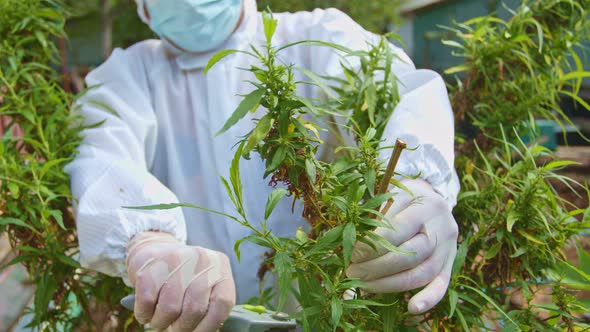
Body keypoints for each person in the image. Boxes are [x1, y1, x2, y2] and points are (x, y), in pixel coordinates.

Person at [65, 0, 460, 331]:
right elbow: (100, 154)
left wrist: (417, 186)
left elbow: (402, 96)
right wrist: (148, 243)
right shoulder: (127, 77)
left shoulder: (317, 40)